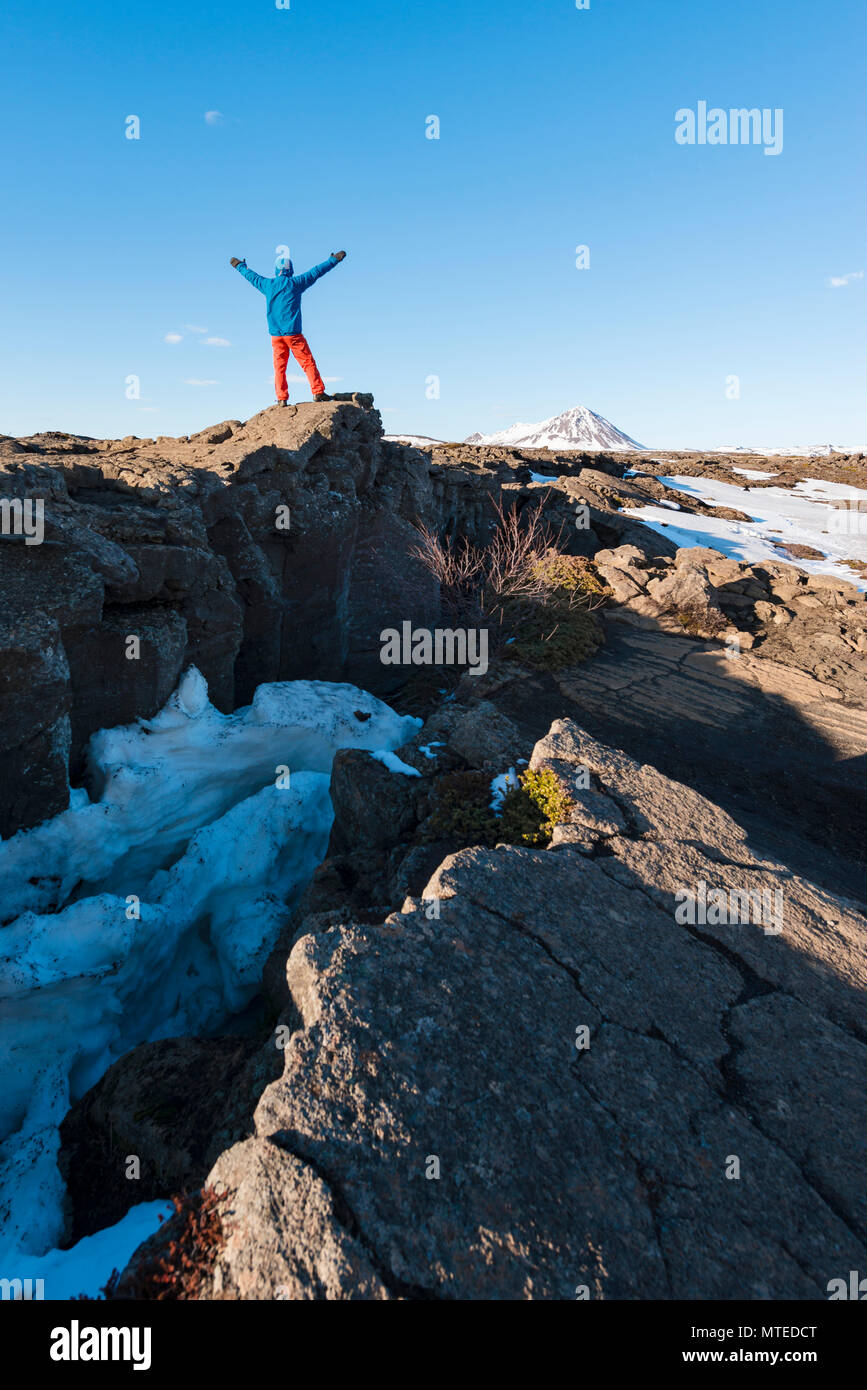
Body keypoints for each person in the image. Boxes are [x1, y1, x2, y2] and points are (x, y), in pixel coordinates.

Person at [229, 249, 347, 405]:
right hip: (294, 335)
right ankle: (318, 392)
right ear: (290, 270)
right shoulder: (296, 283)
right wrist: (334, 260)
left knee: (279, 367)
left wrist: (239, 265)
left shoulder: (267, 285)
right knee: (307, 362)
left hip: (276, 336)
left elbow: (250, 276)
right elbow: (316, 272)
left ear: (277, 271)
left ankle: (281, 398)